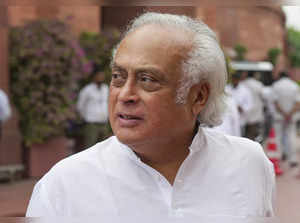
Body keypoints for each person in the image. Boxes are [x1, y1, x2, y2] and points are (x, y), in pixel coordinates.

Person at [26, 12, 275, 219]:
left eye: (147, 80)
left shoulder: (249, 164)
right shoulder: (64, 185)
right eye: (118, 77)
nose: (125, 95)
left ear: (198, 96)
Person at [272, 71, 300, 167]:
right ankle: (292, 159)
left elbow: (275, 103)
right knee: (291, 136)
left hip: (279, 117)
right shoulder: (294, 86)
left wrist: (284, 114)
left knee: (278, 136)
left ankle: (278, 158)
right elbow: (298, 103)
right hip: (291, 117)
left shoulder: (276, 85)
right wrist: (289, 114)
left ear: (280, 76)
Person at [76, 71, 109, 149]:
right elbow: (80, 106)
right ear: (94, 77)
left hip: (103, 122)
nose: (100, 78)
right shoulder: (87, 89)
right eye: (98, 76)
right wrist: (86, 117)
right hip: (92, 123)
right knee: (90, 147)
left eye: (102, 76)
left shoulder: (106, 88)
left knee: (103, 147)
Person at [227, 72, 253, 137]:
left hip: (240, 119)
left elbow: (249, 104)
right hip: (228, 119)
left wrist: (242, 108)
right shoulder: (226, 88)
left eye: (236, 79)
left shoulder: (245, 90)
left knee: (239, 137)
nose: (235, 81)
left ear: (239, 80)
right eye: (233, 79)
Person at [242, 71, 265, 141]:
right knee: (253, 129)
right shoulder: (258, 84)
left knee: (245, 130)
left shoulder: (243, 83)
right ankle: (252, 142)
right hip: (256, 110)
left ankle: (246, 141)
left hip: (245, 109)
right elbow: (263, 96)